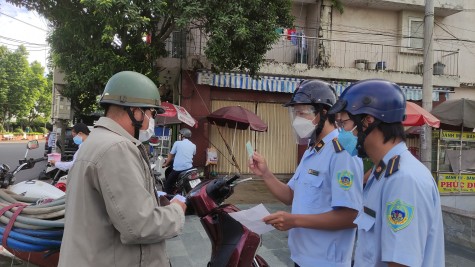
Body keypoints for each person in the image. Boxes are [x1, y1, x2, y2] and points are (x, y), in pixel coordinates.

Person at [58, 71, 186, 266]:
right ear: (135, 111)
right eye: (151, 114)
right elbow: (139, 225)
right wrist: (177, 210)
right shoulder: (117, 148)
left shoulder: (97, 141)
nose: (152, 122)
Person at [328, 79, 444, 267]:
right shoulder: (381, 173)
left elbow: (401, 263)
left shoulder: (403, 180)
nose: (342, 133)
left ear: (368, 121)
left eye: (344, 124)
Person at [248, 79, 363, 267]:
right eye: (295, 113)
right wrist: (266, 173)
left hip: (325, 261)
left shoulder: (342, 152)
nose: (297, 120)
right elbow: (290, 196)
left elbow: (351, 216)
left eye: (302, 113)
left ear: (324, 113)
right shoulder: (312, 150)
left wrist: (294, 220)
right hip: (301, 256)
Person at [162, 128, 196, 194]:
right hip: (189, 168)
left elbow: (171, 155)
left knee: (168, 184)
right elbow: (193, 154)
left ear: (182, 135)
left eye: (180, 134)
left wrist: (165, 164)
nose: (179, 136)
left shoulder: (177, 143)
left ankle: (168, 197)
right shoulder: (193, 145)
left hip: (178, 169)